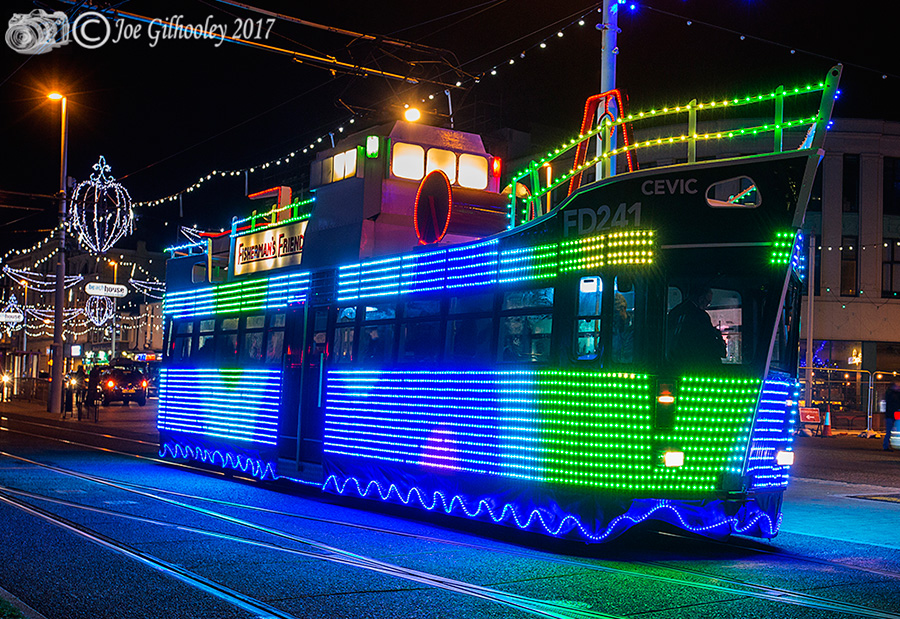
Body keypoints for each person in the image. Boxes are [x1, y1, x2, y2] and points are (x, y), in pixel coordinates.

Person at [667, 285, 726, 369]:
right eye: (707, 302)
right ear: (701, 298)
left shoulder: (676, 311)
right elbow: (708, 341)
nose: (707, 305)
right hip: (697, 362)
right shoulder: (701, 316)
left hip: (676, 360)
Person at [612, 292, 634, 363]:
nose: (614, 316)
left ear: (624, 309)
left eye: (616, 312)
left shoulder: (636, 327)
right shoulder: (610, 329)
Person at [884, 378, 900, 451]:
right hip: (891, 414)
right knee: (889, 431)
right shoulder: (892, 394)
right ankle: (886, 446)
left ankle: (887, 445)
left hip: (891, 414)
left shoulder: (890, 393)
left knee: (890, 431)